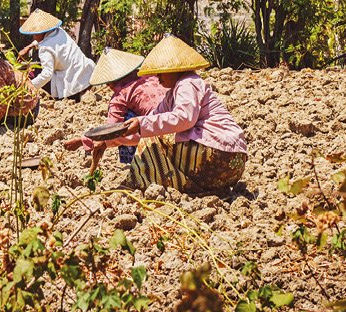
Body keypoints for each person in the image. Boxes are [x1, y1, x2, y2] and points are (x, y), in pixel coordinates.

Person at [105, 35, 247, 194]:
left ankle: (137, 183)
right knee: (152, 134)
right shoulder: (171, 95)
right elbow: (149, 124)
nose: (157, 78)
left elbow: (184, 119)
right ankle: (201, 189)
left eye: (161, 73)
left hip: (220, 155)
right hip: (231, 162)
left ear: (175, 69)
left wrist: (140, 124)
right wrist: (116, 139)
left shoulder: (187, 83)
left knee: (154, 139)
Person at [62, 47, 166, 170]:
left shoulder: (121, 95)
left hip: (158, 138)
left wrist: (83, 140)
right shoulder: (152, 77)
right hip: (178, 126)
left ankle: (140, 164)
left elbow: (111, 131)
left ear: (109, 82)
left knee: (125, 122)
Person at [18, 8, 95, 100]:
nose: (33, 36)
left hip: (72, 84)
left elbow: (47, 74)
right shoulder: (59, 32)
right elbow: (48, 41)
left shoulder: (45, 49)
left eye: (35, 34)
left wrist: (29, 86)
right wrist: (29, 47)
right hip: (86, 75)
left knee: (34, 73)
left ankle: (65, 96)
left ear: (42, 32)